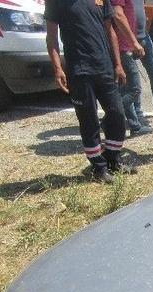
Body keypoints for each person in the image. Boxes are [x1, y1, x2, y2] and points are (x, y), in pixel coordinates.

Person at [45, 0, 137, 184]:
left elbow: (110, 30)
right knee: (89, 121)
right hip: (80, 71)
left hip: (104, 67)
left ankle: (113, 158)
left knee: (117, 114)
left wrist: (117, 64)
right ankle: (99, 168)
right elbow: (52, 36)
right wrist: (57, 68)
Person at [111, 0, 153, 137]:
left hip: (126, 45)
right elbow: (118, 14)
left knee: (125, 89)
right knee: (134, 89)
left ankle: (134, 125)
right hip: (123, 47)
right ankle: (110, 116)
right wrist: (134, 43)